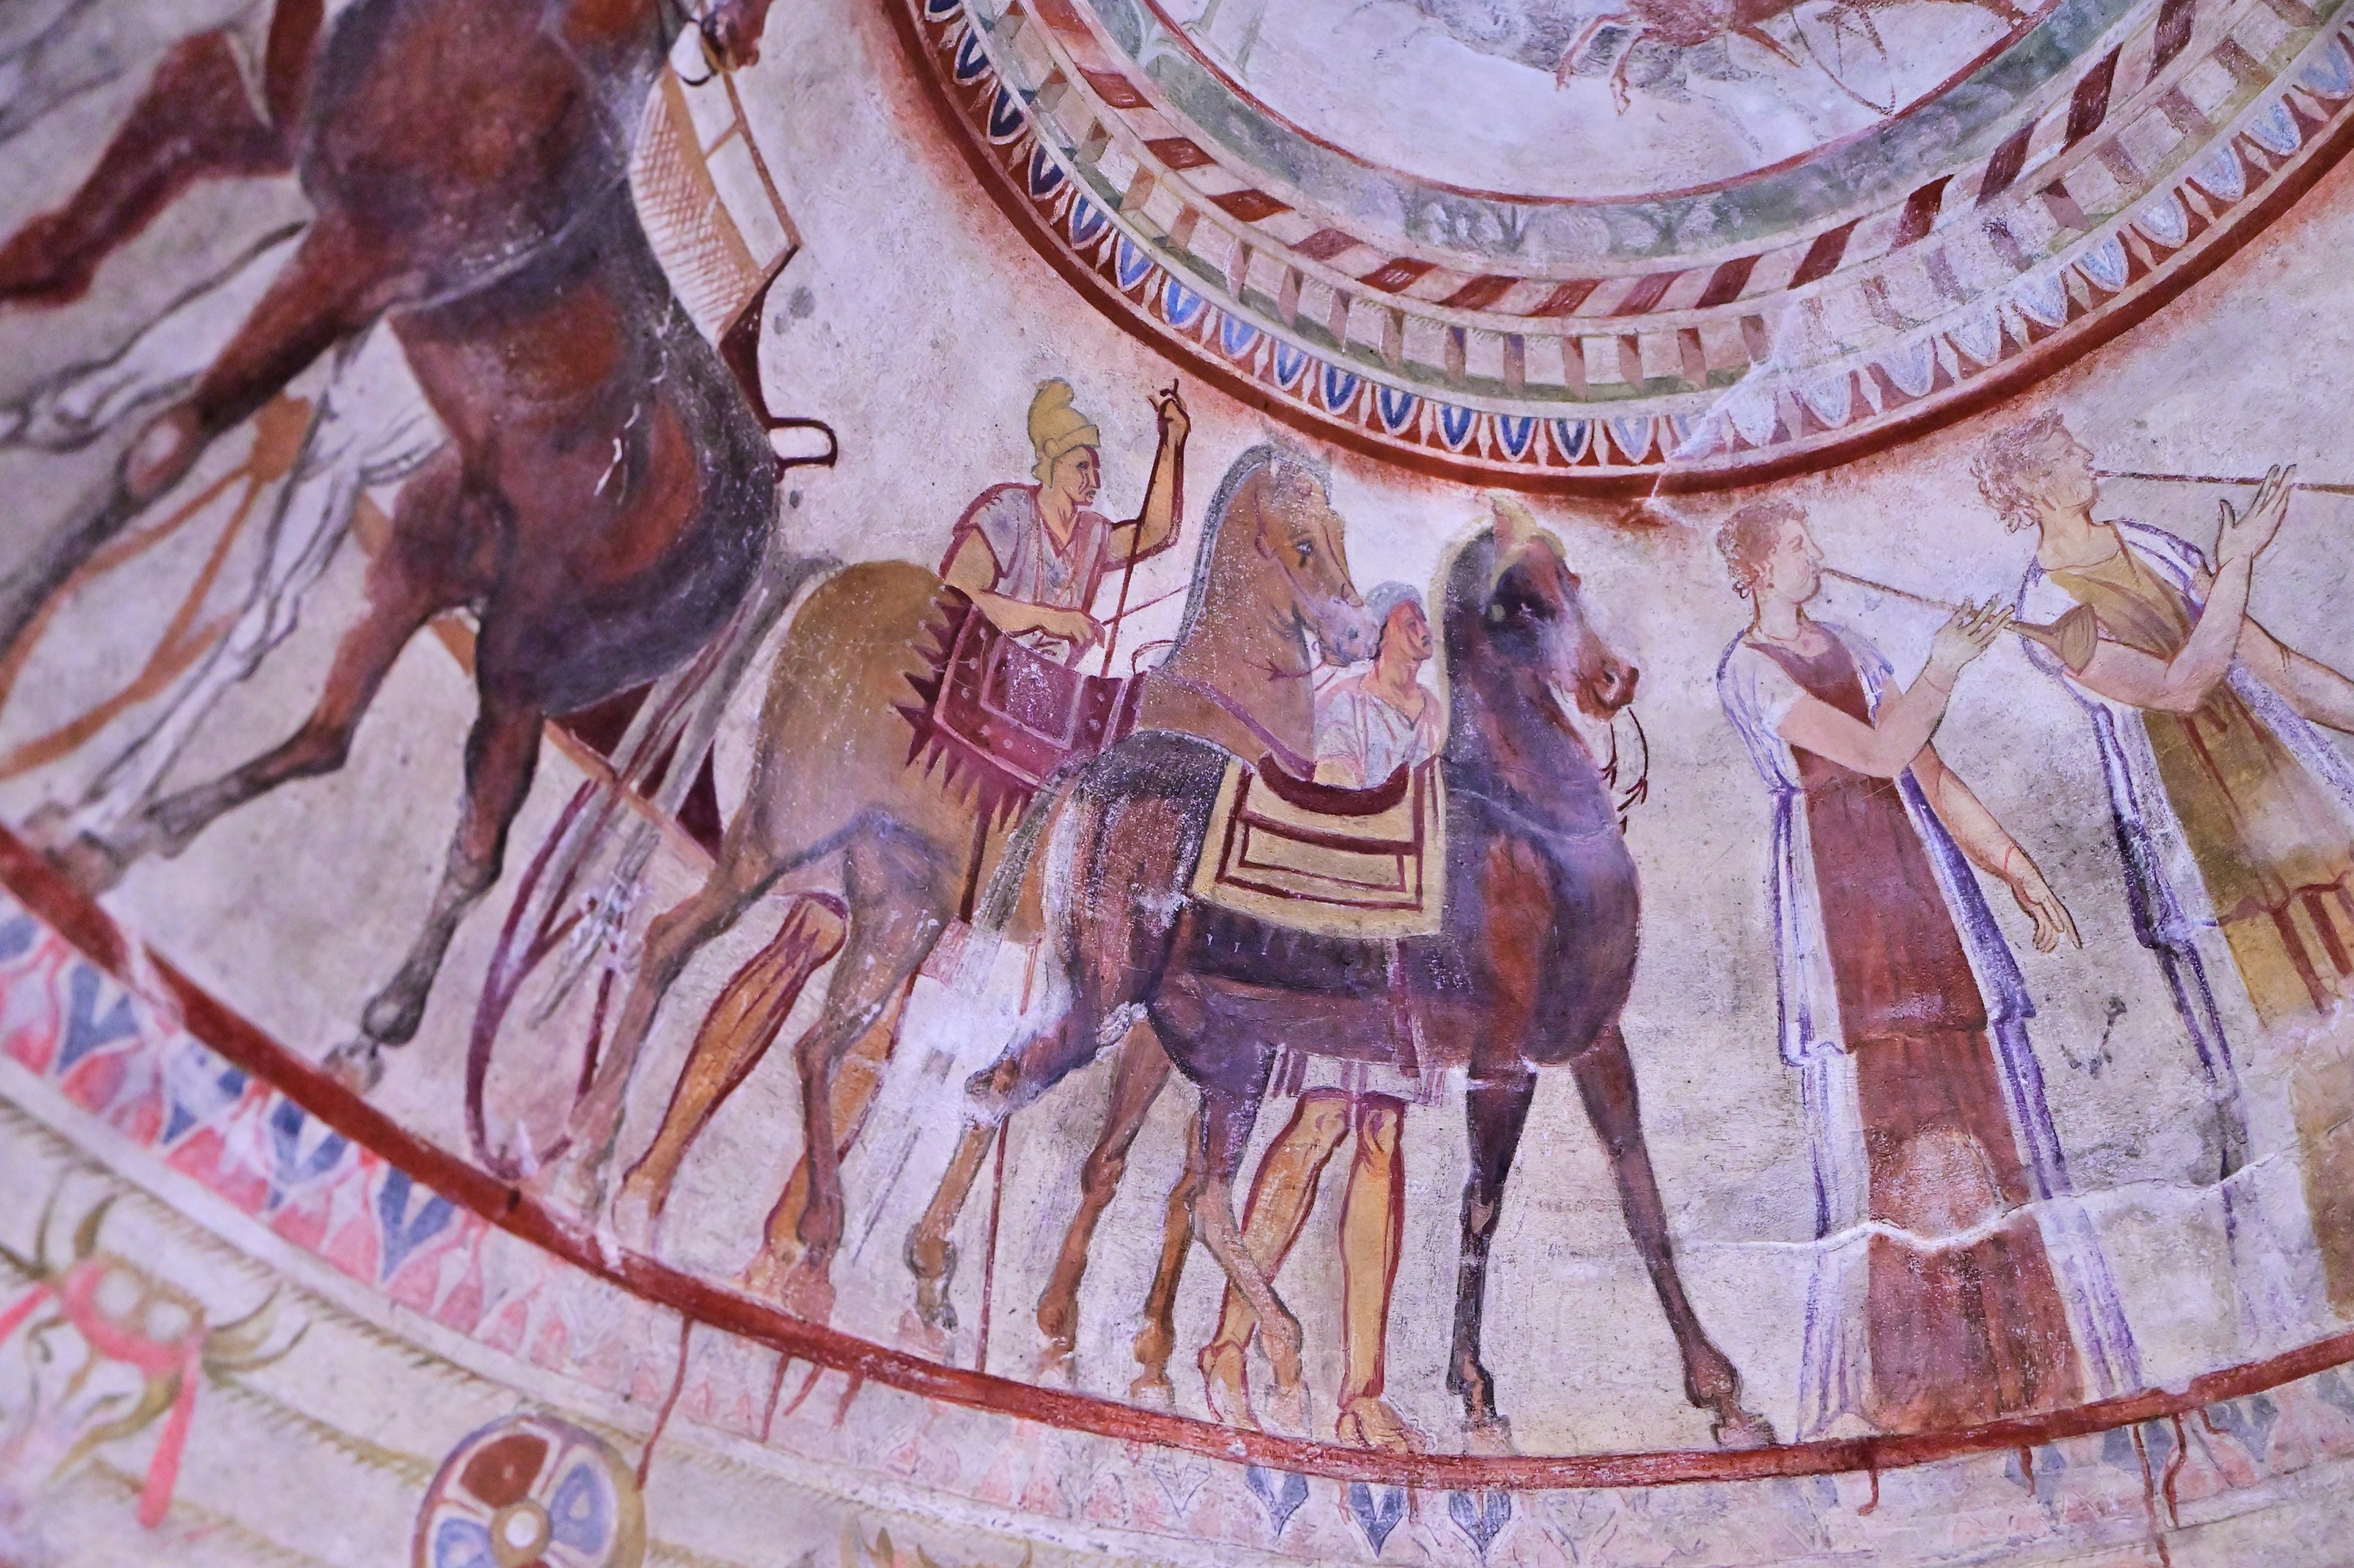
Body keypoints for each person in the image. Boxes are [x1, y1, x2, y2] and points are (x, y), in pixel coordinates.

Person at [1715, 500, 2139, 1438]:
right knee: (1893, 1142)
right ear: (1756, 568)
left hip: (1924, 893)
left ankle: (2034, 1378)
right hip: (1846, 909)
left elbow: (1930, 776)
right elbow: (1874, 753)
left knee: (1983, 1122)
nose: (1815, 555)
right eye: (1796, 546)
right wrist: (1944, 665)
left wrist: (2016, 868)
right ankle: (1923, 1396)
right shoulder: (1748, 670)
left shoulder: (1855, 647)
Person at [1979, 412, 2354, 1319]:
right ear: (2034, 485)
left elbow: (2280, 668)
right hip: (2212, 848)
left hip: (2293, 798)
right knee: (2315, 1057)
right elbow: (2180, 685)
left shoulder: (2153, 544)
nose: (2087, 455)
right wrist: (2236, 566)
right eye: (2067, 453)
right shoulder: (2045, 613)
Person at [1198, 583, 1440, 1454]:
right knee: (1319, 1124)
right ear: (1382, 632)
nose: (1423, 630)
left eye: (1424, 620)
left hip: (1406, 955)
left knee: (1381, 1137)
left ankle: (1362, 1395)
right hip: (1347, 939)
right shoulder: (1346, 705)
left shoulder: (1434, 717)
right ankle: (1229, 1343)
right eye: (1410, 619)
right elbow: (1337, 809)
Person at [940, 378, 1187, 656]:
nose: (1095, 481)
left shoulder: (1093, 533)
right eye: (1082, 467)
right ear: (1053, 458)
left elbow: (1156, 531)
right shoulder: (1010, 509)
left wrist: (1173, 438)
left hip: (1047, 675)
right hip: (982, 665)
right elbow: (957, 593)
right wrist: (1050, 619)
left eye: (1095, 470)